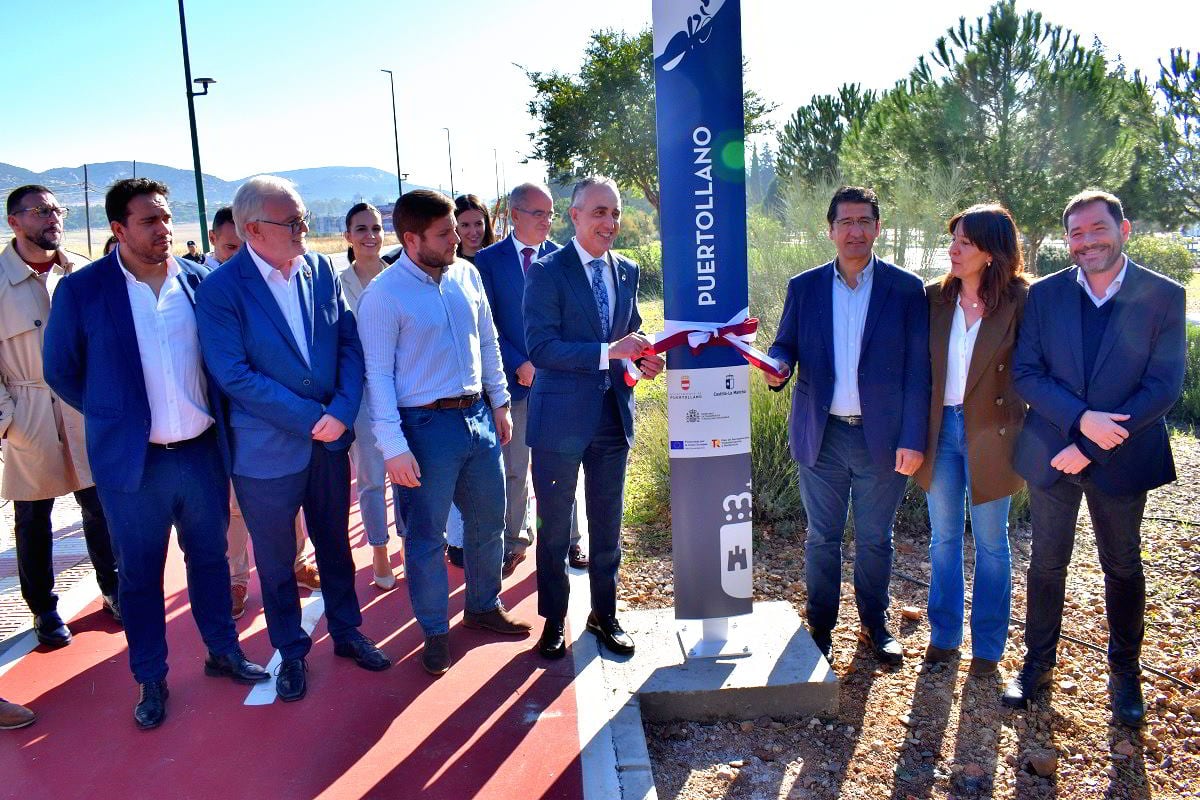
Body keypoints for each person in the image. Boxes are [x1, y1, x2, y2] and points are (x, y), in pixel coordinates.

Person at [43, 178, 268, 730]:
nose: (163, 230)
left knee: (210, 561)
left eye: (167, 218)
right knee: (140, 576)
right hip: (133, 464)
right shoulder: (83, 291)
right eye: (149, 221)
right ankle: (151, 676)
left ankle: (223, 650)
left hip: (199, 455)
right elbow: (60, 370)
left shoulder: (200, 283)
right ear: (118, 229)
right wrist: (113, 415)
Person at [195, 176, 390, 703]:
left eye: (304, 217)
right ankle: (292, 650)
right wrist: (311, 417)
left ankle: (348, 632)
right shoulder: (220, 290)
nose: (305, 228)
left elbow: (348, 342)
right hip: (266, 452)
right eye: (294, 221)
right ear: (254, 229)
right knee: (277, 560)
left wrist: (343, 410)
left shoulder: (321, 270)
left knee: (334, 545)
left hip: (329, 440)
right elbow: (233, 374)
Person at [1004, 190, 1185, 728]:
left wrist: (1090, 445)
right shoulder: (1046, 295)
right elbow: (1027, 373)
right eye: (1077, 233)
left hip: (1121, 456)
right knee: (1046, 562)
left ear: (1123, 229)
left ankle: (1125, 674)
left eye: (1097, 229)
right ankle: (1037, 665)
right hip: (1053, 451)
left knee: (1123, 564)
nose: (1088, 241)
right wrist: (1082, 422)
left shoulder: (1164, 296)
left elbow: (1163, 385)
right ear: (1068, 240)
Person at [359, 189, 532, 676]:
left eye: (456, 228)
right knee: (426, 537)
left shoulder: (466, 275)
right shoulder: (385, 295)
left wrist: (499, 402)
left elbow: (490, 342)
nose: (457, 238)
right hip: (423, 428)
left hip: (477, 417)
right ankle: (435, 630)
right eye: (444, 233)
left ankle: (482, 607)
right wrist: (393, 447)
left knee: (487, 522)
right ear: (411, 239)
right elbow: (378, 378)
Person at [765, 185, 930, 666]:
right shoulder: (805, 287)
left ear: (878, 228)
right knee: (822, 536)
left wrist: (913, 438)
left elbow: (920, 372)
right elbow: (786, 345)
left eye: (864, 221)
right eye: (845, 223)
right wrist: (777, 365)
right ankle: (820, 625)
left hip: (883, 438)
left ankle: (874, 625)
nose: (854, 231)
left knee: (877, 538)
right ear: (830, 230)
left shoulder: (905, 289)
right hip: (824, 434)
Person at [524, 176, 664, 660]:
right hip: (558, 423)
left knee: (607, 526)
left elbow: (632, 331)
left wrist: (643, 357)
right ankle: (553, 620)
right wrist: (610, 351)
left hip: (611, 419)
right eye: (599, 212)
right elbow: (541, 348)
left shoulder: (627, 270)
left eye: (615, 213)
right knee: (555, 528)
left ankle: (605, 614)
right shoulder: (547, 272)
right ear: (575, 216)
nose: (609, 222)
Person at [913, 204, 1029, 678]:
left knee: (992, 542)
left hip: (994, 434)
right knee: (942, 538)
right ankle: (944, 637)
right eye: (952, 239)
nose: (953, 249)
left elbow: (1036, 367)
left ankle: (988, 646)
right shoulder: (933, 298)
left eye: (965, 241)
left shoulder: (1022, 300)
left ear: (991, 250)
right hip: (940, 431)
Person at [2, 186, 121, 648]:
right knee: (33, 518)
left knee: (100, 508)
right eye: (40, 211)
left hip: (84, 408)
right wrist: (7, 420)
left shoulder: (83, 272)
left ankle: (114, 591)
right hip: (27, 408)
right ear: (14, 222)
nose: (53, 218)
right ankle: (44, 611)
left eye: (57, 209)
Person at [199, 205, 318, 619]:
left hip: (279, 416)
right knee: (235, 507)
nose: (240, 253)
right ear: (214, 240)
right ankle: (236, 578)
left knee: (292, 503)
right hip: (223, 417)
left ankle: (300, 562)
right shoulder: (204, 282)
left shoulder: (279, 275)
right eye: (232, 246)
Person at [476, 183, 586, 578]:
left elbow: (574, 322)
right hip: (514, 383)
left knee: (563, 464)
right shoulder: (487, 262)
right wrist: (519, 361)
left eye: (550, 213)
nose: (546, 221)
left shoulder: (563, 258)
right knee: (516, 468)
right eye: (538, 213)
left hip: (558, 383)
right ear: (514, 214)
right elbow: (485, 325)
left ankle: (572, 539)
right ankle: (514, 540)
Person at [339, 202, 399, 589]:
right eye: (361, 229)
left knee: (410, 472)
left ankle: (411, 543)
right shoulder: (335, 284)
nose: (370, 236)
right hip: (359, 392)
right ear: (348, 236)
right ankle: (379, 550)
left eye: (376, 228)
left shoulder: (398, 278)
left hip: (400, 388)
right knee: (372, 476)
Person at [454, 194, 495, 262]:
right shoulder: (447, 266)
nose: (473, 232)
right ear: (455, 227)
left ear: (486, 224)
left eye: (478, 224)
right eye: (465, 225)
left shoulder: (500, 259)